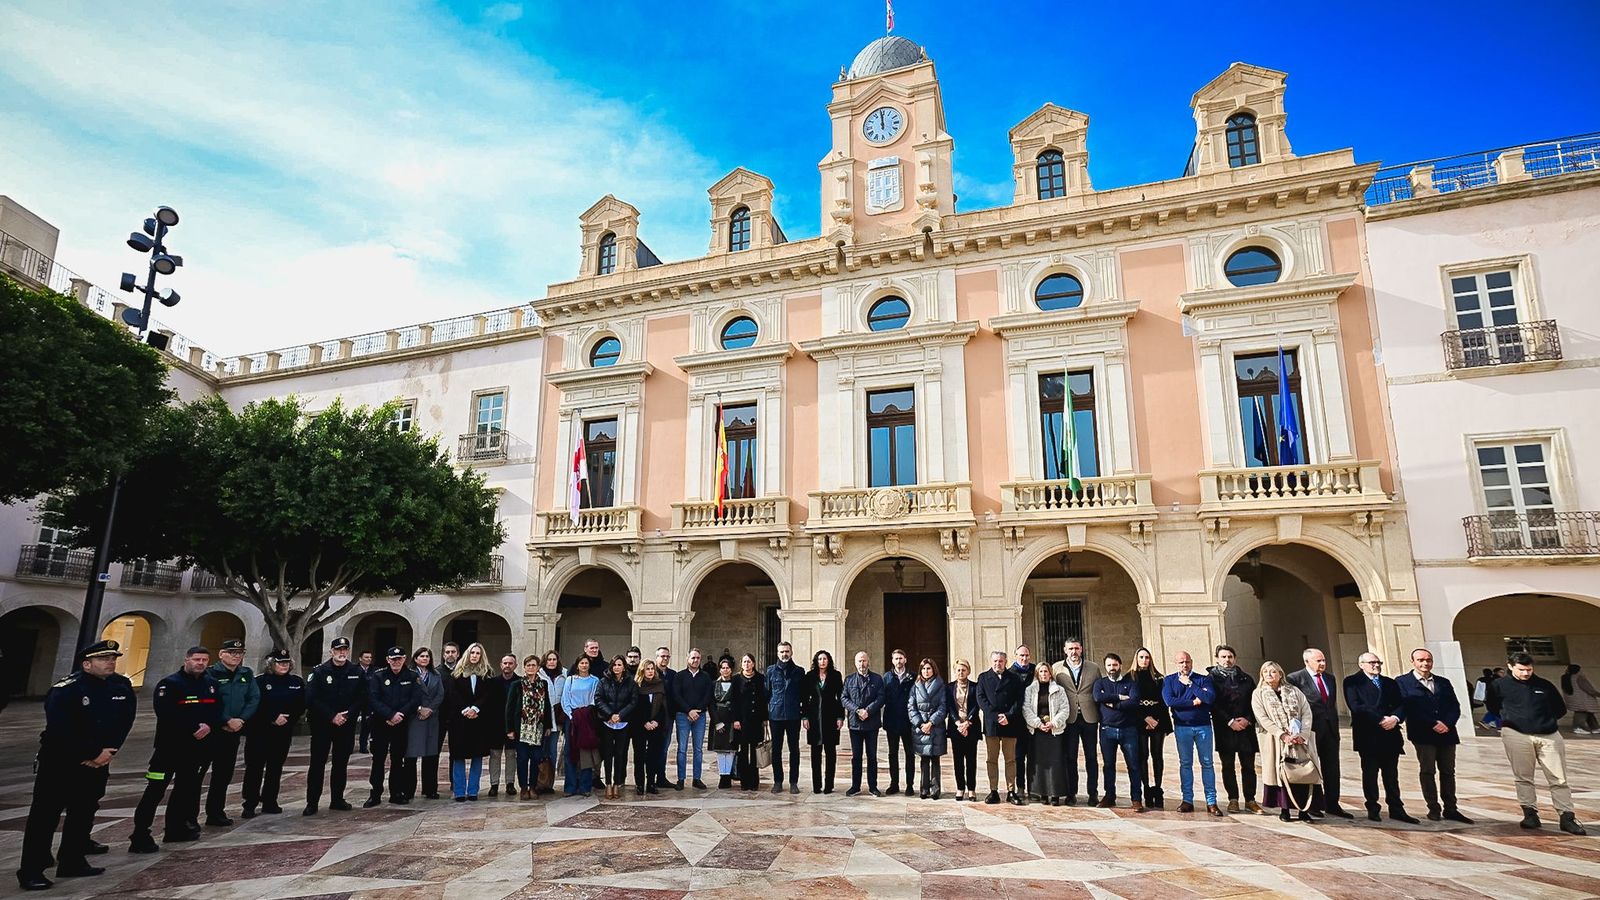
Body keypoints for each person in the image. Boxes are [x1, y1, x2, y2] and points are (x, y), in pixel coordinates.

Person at [16, 640, 136, 891]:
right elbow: (60, 728)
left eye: (113, 658)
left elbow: (124, 722)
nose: (110, 662)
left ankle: (72, 860)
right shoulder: (67, 688)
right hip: (61, 761)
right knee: (45, 816)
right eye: (104, 659)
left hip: (99, 761)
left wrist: (108, 752)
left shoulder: (121, 686)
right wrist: (91, 752)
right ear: (87, 663)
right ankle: (31, 869)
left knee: (84, 811)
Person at [130, 646, 221, 852]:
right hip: (168, 749)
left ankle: (176, 828)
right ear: (186, 660)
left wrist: (209, 726)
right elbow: (166, 713)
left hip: (195, 750)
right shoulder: (170, 684)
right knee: (155, 791)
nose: (201, 663)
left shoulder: (211, 684)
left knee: (185, 790)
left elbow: (216, 710)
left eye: (205, 660)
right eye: (196, 659)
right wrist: (193, 728)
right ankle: (140, 834)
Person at [1488, 653, 1586, 834]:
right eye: (1521, 670)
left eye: (1529, 669)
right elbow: (1493, 707)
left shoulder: (1544, 685)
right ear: (1510, 666)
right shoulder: (1498, 686)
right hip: (1516, 734)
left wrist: (1544, 721)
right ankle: (1530, 814)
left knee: (1559, 778)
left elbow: (1559, 708)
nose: (1526, 673)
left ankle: (1567, 816)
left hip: (1549, 735)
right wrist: (1512, 719)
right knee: (1523, 776)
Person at [1396, 647, 1472, 823]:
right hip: (1423, 734)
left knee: (1448, 771)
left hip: (1447, 733)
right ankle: (1433, 808)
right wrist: (1432, 723)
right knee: (1428, 770)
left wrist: (1447, 723)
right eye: (1421, 660)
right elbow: (1408, 708)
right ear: (1412, 662)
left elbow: (1454, 706)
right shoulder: (1402, 682)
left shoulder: (1443, 682)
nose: (1425, 663)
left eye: (1428, 660)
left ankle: (1451, 808)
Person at [1344, 652, 1418, 824]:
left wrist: (1395, 718)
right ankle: (1372, 807)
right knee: (1370, 774)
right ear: (1361, 664)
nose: (1376, 665)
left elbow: (1401, 704)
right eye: (1372, 663)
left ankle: (1396, 808)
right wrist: (1380, 719)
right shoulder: (1352, 682)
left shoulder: (1390, 683)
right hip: (1368, 734)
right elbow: (1356, 706)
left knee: (1391, 775)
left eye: (1378, 662)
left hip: (1390, 734)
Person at [303, 637, 368, 816]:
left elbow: (362, 696)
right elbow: (311, 698)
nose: (342, 653)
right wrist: (332, 715)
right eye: (338, 649)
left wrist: (347, 714)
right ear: (331, 651)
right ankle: (312, 802)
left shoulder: (356, 671)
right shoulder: (319, 671)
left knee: (341, 764)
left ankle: (337, 799)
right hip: (322, 724)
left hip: (346, 725)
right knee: (317, 763)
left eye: (345, 649)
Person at [1287, 648, 1353, 818]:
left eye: (1323, 660)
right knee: (1310, 768)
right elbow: (1293, 707)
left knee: (1332, 767)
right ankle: (1313, 803)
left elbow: (1330, 704)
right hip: (1310, 731)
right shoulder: (1295, 679)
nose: (1322, 663)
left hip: (1330, 729)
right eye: (1318, 661)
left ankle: (1333, 803)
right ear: (1307, 661)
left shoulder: (1330, 678)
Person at [1252, 660, 1319, 822]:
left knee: (1302, 773)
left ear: (1280, 674)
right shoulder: (1259, 694)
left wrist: (1302, 734)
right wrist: (1282, 734)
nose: (1269, 675)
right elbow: (1262, 718)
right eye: (1266, 672)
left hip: (1299, 741)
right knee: (1281, 773)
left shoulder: (1294, 691)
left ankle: (1304, 810)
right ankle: (1285, 810)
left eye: (1273, 671)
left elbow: (1306, 713)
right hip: (1276, 740)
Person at [201, 638, 259, 826]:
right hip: (213, 730)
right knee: (197, 775)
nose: (236, 656)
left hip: (234, 730)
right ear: (221, 654)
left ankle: (215, 812)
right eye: (232, 653)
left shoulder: (246, 673)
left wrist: (241, 720)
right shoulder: (209, 674)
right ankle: (188, 816)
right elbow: (210, 702)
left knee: (223, 774)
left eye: (240, 653)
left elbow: (253, 698)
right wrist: (226, 720)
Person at [242, 649, 304, 818]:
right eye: (279, 662)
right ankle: (250, 803)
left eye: (286, 663)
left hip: (283, 732)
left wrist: (288, 719)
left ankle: (270, 801)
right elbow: (254, 704)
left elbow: (300, 705)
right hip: (260, 731)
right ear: (271, 664)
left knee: (275, 768)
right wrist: (272, 717)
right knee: (255, 768)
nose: (283, 666)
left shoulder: (296, 682)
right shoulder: (260, 681)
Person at [1162, 650, 1222, 816]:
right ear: (1176, 663)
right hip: (1182, 727)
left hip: (1203, 727)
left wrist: (1191, 685)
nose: (1184, 665)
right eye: (1181, 662)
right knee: (1185, 763)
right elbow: (1170, 701)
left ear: (1192, 662)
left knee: (1207, 763)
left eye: (1187, 662)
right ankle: (1187, 799)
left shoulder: (1203, 679)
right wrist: (1194, 701)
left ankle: (1211, 801)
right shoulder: (1169, 680)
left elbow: (1209, 698)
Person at [1207, 645, 1260, 814]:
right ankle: (1233, 799)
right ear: (1217, 659)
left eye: (1230, 656)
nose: (1227, 660)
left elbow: (1255, 702)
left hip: (1245, 728)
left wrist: (1248, 719)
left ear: (1235, 658)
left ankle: (1250, 799)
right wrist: (1229, 721)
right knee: (1228, 766)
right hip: (1225, 728)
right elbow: (1213, 703)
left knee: (1249, 766)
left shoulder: (1246, 679)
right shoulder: (1211, 679)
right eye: (1223, 657)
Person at [364, 647, 419, 807]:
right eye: (393, 659)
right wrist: (389, 715)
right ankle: (375, 794)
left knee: (398, 760)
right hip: (381, 724)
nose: (396, 662)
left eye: (399, 658)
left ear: (404, 659)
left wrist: (399, 714)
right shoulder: (378, 676)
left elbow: (415, 699)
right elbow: (373, 699)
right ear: (388, 659)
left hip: (401, 724)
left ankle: (396, 792)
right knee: (378, 760)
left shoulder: (412, 676)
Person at [445, 642, 497, 801]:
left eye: (478, 653)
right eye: (472, 652)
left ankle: (473, 790)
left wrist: (475, 708)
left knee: (477, 756)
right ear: (468, 654)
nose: (475, 656)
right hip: (460, 720)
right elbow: (453, 695)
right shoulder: (457, 673)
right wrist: (465, 710)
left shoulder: (487, 674)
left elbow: (488, 695)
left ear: (482, 656)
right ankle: (459, 791)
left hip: (478, 721)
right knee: (458, 756)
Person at [1093, 653, 1145, 811]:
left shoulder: (1131, 683)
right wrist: (1120, 697)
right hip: (1107, 730)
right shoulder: (1100, 683)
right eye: (1109, 665)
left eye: (1115, 665)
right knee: (1108, 765)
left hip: (1128, 729)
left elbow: (1134, 702)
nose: (1112, 668)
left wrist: (1114, 705)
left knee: (1134, 765)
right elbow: (1097, 697)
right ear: (1105, 667)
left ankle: (1136, 798)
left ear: (1120, 665)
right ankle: (1109, 796)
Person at [1053, 639, 1101, 806]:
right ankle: (1071, 792)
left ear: (1081, 649)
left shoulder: (1093, 667)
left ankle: (1093, 793)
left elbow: (1099, 691)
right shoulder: (1057, 668)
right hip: (1069, 718)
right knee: (1070, 757)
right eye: (1070, 649)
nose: (1074, 652)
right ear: (1065, 650)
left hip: (1089, 718)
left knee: (1091, 757)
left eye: (1076, 648)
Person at [977, 650, 1024, 805]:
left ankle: (1011, 791)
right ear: (991, 662)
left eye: (1001, 661)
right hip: (992, 724)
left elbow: (1019, 700)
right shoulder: (983, 678)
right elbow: (981, 699)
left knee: (1011, 759)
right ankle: (993, 791)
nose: (998, 663)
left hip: (1010, 724)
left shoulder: (1014, 678)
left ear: (1005, 662)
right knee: (992, 759)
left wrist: (1008, 716)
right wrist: (996, 716)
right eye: (995, 661)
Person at [504, 654, 553, 800]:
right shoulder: (517, 684)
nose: (531, 668)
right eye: (528, 665)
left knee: (536, 759)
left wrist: (548, 725)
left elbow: (547, 706)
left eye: (534, 665)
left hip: (538, 728)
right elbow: (509, 708)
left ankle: (533, 787)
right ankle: (523, 787)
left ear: (538, 667)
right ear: (524, 667)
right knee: (522, 759)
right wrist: (509, 729)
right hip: (521, 729)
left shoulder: (543, 684)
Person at [1023, 661, 1069, 805]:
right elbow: (1026, 709)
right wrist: (1038, 724)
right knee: (1039, 764)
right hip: (1037, 731)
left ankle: (1054, 794)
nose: (1044, 674)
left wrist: (1053, 723)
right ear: (1037, 673)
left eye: (1046, 671)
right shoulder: (1030, 690)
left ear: (1050, 673)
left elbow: (1065, 709)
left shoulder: (1059, 690)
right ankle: (1042, 793)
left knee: (1055, 763)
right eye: (1041, 671)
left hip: (1054, 731)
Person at [595, 655, 639, 800]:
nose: (617, 667)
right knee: (607, 754)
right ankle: (607, 783)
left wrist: (620, 715)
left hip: (623, 723)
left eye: (619, 665)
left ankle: (617, 783)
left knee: (620, 754)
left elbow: (633, 701)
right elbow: (598, 699)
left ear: (623, 667)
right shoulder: (603, 681)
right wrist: (610, 715)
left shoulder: (630, 682)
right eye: (614, 664)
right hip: (607, 723)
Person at [842, 650, 885, 797]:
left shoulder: (877, 679)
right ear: (855, 663)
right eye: (859, 661)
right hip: (855, 724)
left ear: (868, 662)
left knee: (872, 756)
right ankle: (855, 786)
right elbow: (844, 698)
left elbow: (881, 698)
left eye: (864, 661)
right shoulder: (849, 680)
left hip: (872, 724)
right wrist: (857, 710)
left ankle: (873, 786)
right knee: (856, 757)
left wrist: (868, 710)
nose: (862, 664)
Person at [802, 649, 845, 794]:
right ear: (816, 661)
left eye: (825, 659)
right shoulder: (810, 676)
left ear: (829, 661)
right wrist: (805, 717)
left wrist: (840, 717)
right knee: (815, 753)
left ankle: (829, 784)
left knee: (830, 753)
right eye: (820, 659)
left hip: (831, 716)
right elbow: (804, 698)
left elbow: (840, 697)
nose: (822, 662)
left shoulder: (835, 675)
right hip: (814, 717)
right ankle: (816, 784)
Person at [1132, 648, 1171, 808]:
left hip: (1157, 719)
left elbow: (1164, 702)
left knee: (1157, 754)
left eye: (1147, 657)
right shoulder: (1131, 677)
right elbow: (1132, 702)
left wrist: (1155, 720)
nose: (1144, 660)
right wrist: (1145, 719)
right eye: (1141, 657)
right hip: (1139, 719)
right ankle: (1146, 789)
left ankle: (1157, 788)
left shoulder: (1159, 678)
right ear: (1137, 658)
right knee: (1143, 756)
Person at [406, 647, 445, 800]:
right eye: (421, 656)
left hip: (431, 717)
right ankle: (408, 789)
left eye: (427, 656)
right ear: (415, 658)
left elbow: (440, 694)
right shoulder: (410, 674)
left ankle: (430, 789)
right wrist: (419, 708)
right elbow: (407, 694)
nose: (425, 659)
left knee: (431, 755)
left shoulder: (436, 675)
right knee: (411, 755)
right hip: (415, 718)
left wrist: (430, 709)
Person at [766, 641, 805, 795]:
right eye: (782, 651)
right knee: (776, 750)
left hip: (793, 715)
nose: (784, 654)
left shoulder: (799, 671)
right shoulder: (771, 671)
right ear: (777, 653)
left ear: (791, 652)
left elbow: (803, 694)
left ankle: (794, 782)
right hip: (776, 716)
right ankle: (777, 781)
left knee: (794, 749)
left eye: (787, 651)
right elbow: (767, 693)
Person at [671, 648, 712, 790]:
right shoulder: (679, 676)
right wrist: (688, 710)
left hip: (699, 717)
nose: (695, 660)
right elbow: (676, 695)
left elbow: (707, 695)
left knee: (698, 749)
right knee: (682, 748)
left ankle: (697, 778)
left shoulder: (706, 677)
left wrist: (697, 711)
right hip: (683, 715)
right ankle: (681, 779)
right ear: (687, 658)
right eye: (693, 658)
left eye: (698, 658)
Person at [560, 653, 601, 796]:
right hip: (572, 719)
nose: (584, 665)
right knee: (570, 752)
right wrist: (572, 716)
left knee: (586, 752)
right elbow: (565, 699)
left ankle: (585, 786)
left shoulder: (594, 680)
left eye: (586, 663)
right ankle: (570, 786)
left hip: (587, 719)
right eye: (581, 663)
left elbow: (594, 699)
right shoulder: (570, 680)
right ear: (577, 665)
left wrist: (584, 714)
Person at [906, 658, 947, 799]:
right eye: (923, 669)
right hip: (921, 729)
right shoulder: (915, 686)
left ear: (933, 669)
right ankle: (924, 789)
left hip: (935, 728)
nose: (926, 671)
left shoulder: (941, 685)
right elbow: (911, 707)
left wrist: (931, 722)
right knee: (924, 760)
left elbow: (943, 707)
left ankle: (935, 789)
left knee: (935, 760)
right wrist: (920, 724)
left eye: (928, 668)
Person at [945, 659, 983, 801]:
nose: (961, 672)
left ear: (968, 671)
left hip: (971, 727)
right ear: (955, 671)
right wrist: (957, 723)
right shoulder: (949, 687)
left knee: (971, 760)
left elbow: (976, 705)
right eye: (958, 670)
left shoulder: (975, 686)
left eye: (963, 670)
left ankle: (972, 789)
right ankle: (960, 788)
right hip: (956, 728)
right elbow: (949, 706)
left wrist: (967, 723)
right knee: (958, 760)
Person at [633, 660, 671, 794]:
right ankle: (639, 784)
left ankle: (651, 783)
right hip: (639, 726)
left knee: (653, 756)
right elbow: (635, 707)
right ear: (642, 670)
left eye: (652, 669)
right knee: (639, 756)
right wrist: (644, 722)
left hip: (656, 726)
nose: (650, 671)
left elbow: (663, 707)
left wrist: (656, 721)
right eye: (647, 669)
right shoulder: (636, 686)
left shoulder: (660, 685)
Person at [882, 648, 916, 796]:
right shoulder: (887, 677)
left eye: (901, 658)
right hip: (892, 721)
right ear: (892, 661)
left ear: (905, 660)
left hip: (908, 722)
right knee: (892, 754)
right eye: (896, 658)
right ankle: (894, 783)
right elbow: (881, 698)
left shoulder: (913, 677)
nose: (899, 661)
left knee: (910, 754)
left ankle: (909, 785)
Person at [484, 654, 518, 798]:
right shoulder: (492, 682)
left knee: (511, 754)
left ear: (515, 665)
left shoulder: (520, 682)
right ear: (500, 665)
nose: (507, 665)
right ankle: (494, 784)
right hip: (495, 724)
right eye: (505, 663)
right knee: (495, 754)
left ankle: (510, 783)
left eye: (510, 663)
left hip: (513, 725)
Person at [734, 654, 768, 790]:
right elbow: (734, 700)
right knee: (743, 752)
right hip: (742, 720)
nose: (747, 664)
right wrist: (735, 719)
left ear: (753, 664)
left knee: (755, 751)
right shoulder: (736, 679)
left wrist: (765, 718)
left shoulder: (760, 678)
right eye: (744, 662)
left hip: (756, 720)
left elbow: (764, 699)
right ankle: (744, 781)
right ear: (741, 664)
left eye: (749, 662)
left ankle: (754, 782)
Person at [709, 656, 742, 789]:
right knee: (720, 750)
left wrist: (736, 720)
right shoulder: (713, 684)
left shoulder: (736, 684)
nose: (725, 670)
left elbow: (738, 703)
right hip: (718, 718)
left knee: (730, 749)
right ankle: (722, 775)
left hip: (731, 719)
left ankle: (728, 776)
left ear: (731, 669)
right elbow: (710, 704)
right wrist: (717, 722)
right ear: (719, 670)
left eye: (727, 668)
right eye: (723, 668)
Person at [1008, 645, 1035, 799]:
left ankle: (1034, 787)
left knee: (1034, 755)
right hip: (1016, 721)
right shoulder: (1010, 673)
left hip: (1033, 720)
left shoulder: (1035, 670)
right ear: (1015, 656)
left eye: (1026, 655)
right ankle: (1020, 786)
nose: (1024, 658)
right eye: (1021, 655)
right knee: (1018, 756)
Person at [540, 651, 567, 793]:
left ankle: (549, 783)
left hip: (556, 719)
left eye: (554, 659)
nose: (551, 662)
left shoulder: (564, 674)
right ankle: (539, 782)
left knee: (552, 751)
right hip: (541, 720)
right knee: (540, 751)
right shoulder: (539, 674)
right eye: (549, 659)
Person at [652, 647, 676, 786]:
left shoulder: (673, 674)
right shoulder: (651, 672)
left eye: (667, 656)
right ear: (657, 657)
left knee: (664, 748)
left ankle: (661, 777)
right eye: (662, 656)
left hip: (668, 717)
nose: (665, 659)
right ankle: (650, 778)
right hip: (654, 717)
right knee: (653, 748)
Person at [1561, 664, 1600, 734]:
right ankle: (1578, 727)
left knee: (1588, 713)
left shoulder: (1565, 677)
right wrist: (1597, 694)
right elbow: (1589, 689)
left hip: (1573, 699)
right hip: (1582, 700)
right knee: (1581, 713)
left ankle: (1595, 727)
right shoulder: (1579, 677)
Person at [356, 649, 375, 754]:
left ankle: (364, 746)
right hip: (355, 701)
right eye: (366, 657)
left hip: (368, 702)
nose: (369, 659)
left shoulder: (374, 670)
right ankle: (349, 747)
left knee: (367, 725)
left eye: (370, 657)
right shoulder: (354, 669)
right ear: (360, 658)